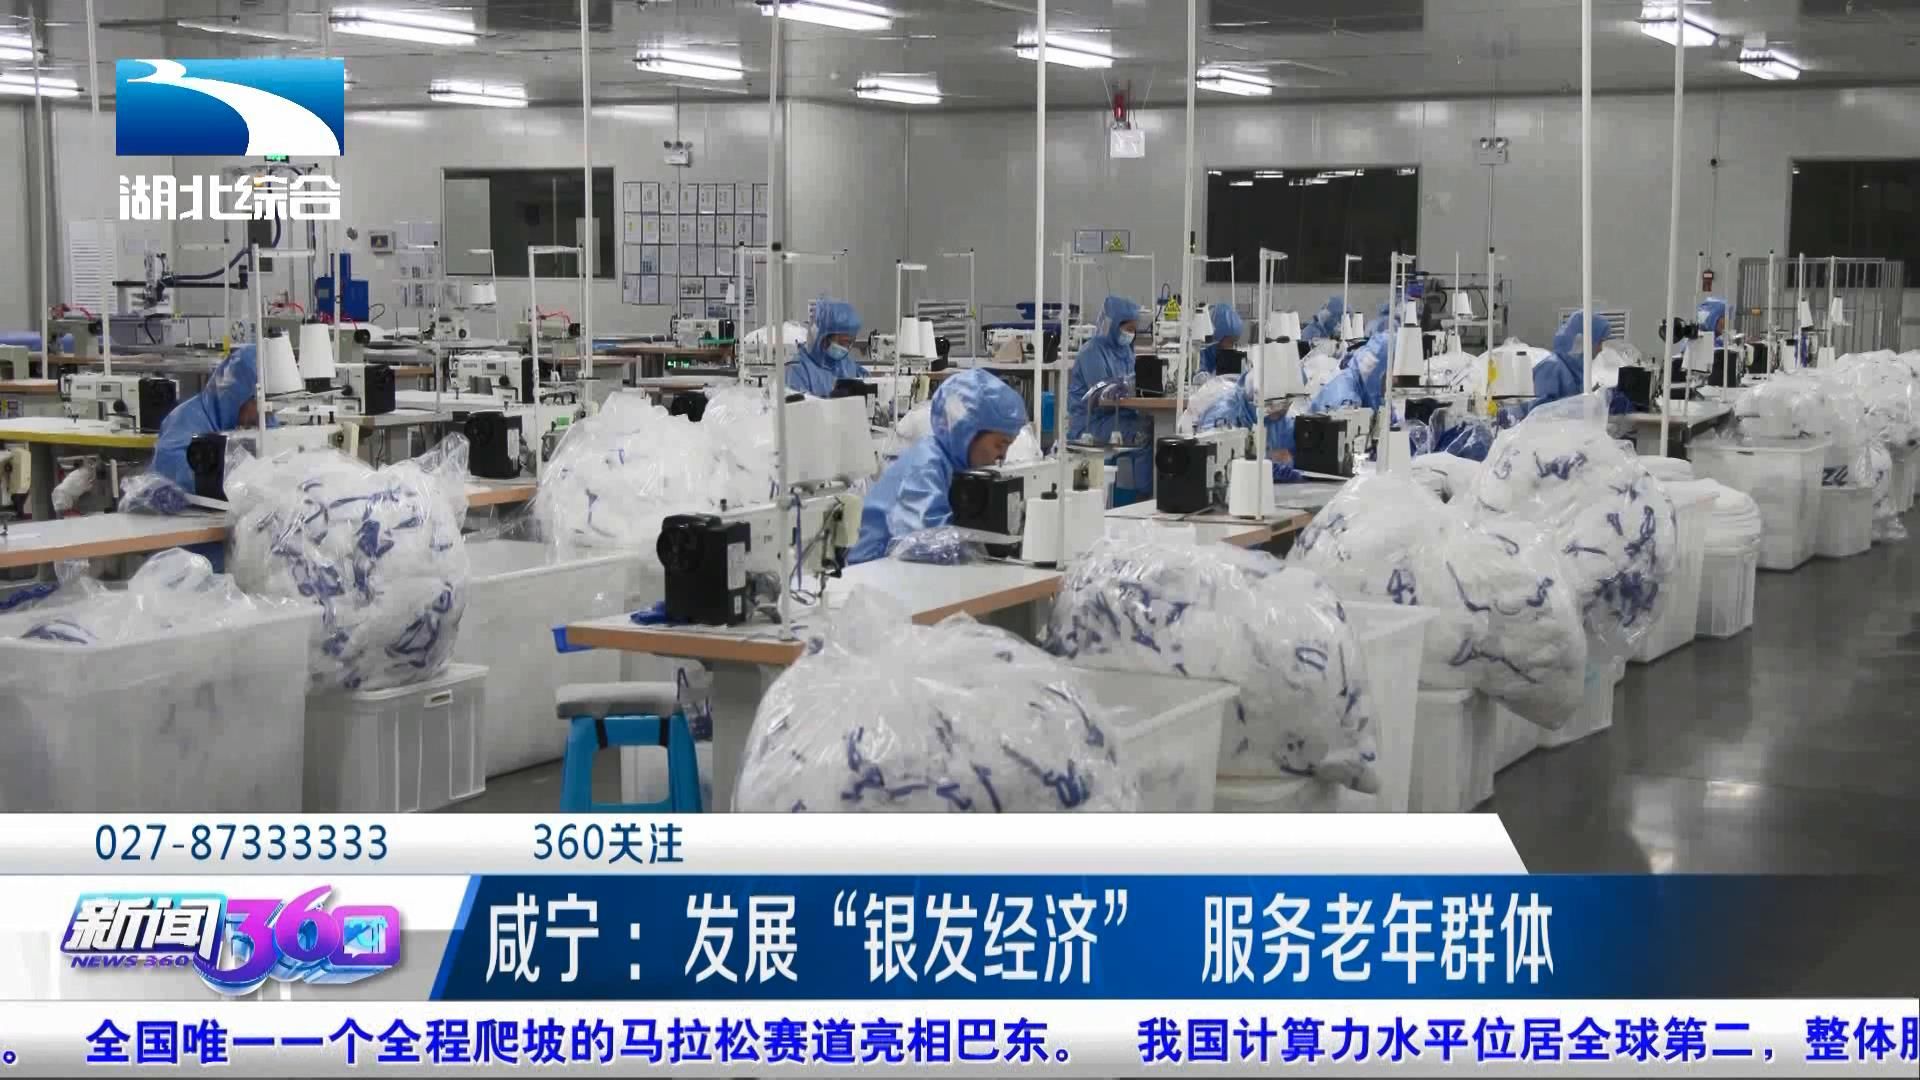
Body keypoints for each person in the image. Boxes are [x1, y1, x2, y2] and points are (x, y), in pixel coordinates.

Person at [849, 368, 1029, 564]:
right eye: (999, 445)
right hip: (872, 569)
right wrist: (986, 547)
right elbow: (924, 545)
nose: (1003, 456)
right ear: (968, 431)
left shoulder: (956, 465)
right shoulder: (926, 465)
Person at [152, 344, 264, 492]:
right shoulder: (185, 421)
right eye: (258, 403)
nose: (263, 415)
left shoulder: (259, 419)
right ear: (239, 396)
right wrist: (236, 484)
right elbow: (172, 469)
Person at [1067, 295, 1141, 442]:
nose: (1131, 334)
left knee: (1151, 426)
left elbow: (1133, 381)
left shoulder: (1125, 351)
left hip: (1118, 417)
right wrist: (1123, 386)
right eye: (1128, 329)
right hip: (1092, 422)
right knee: (1145, 433)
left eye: (1134, 330)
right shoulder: (1092, 352)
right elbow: (1101, 396)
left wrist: (1130, 385)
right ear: (1114, 326)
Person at [1533, 309, 1612, 411]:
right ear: (1582, 341)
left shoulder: (1574, 370)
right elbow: (1543, 412)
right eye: (1599, 342)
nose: (1601, 349)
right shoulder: (1551, 369)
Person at [785, 298, 867, 397]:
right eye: (842, 342)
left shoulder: (847, 365)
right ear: (821, 337)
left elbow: (869, 388)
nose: (846, 348)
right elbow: (799, 404)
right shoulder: (798, 371)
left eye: (850, 343)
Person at [1197, 303, 1245, 376]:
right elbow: (1200, 375)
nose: (1231, 347)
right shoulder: (1206, 353)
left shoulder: (1238, 357)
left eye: (1234, 342)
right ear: (1219, 337)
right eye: (1229, 341)